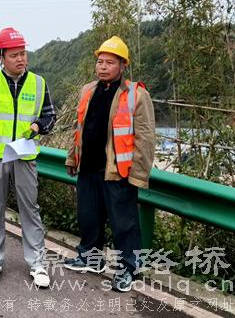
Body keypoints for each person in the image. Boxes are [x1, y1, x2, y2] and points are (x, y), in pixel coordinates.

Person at [0, 27, 56, 287]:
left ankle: (37, 264)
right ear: (1, 57)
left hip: (24, 156)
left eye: (23, 53)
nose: (21, 59)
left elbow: (50, 115)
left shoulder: (38, 83)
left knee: (30, 209)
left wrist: (38, 126)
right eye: (14, 55)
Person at [63, 36, 156, 292]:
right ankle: (90, 259)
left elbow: (145, 138)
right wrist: (72, 157)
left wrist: (138, 174)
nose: (103, 67)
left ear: (123, 65)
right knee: (88, 218)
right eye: (100, 62)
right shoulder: (88, 90)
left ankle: (129, 268)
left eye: (110, 62)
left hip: (117, 172)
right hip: (88, 167)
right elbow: (79, 127)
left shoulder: (136, 95)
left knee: (124, 224)